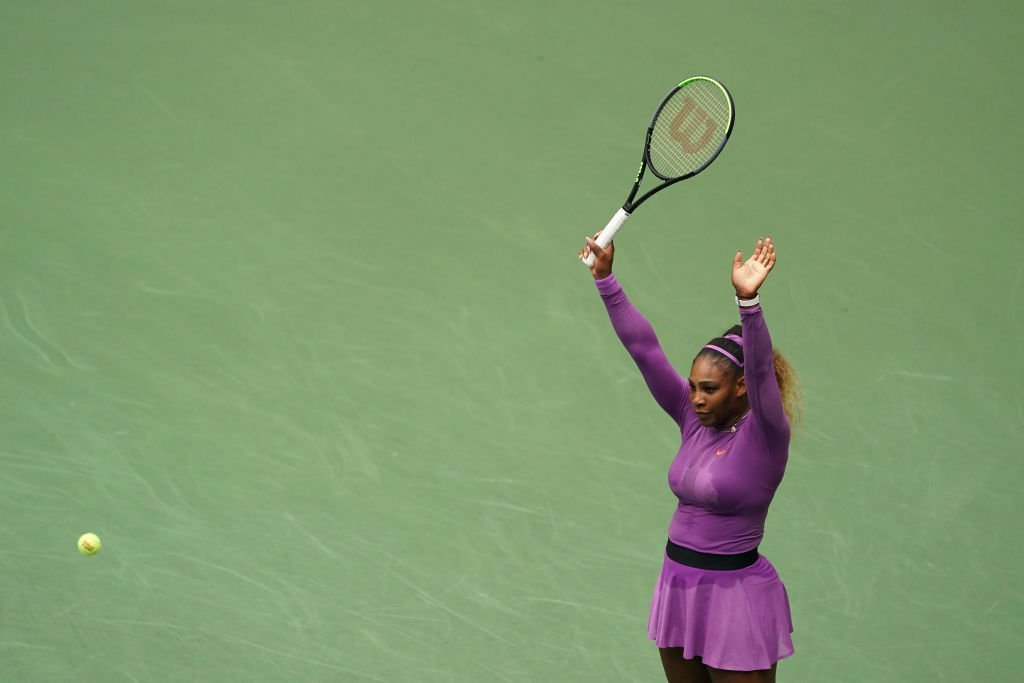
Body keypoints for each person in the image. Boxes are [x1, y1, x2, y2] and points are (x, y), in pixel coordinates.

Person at [579, 234, 799, 683]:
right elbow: (645, 351)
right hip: (679, 585)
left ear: (741, 389)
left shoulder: (767, 434)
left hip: (736, 597)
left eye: (709, 389)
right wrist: (607, 281)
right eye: (694, 386)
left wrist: (749, 303)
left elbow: (759, 369)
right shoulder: (692, 417)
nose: (695, 398)